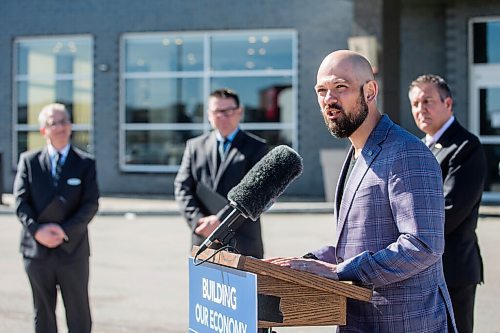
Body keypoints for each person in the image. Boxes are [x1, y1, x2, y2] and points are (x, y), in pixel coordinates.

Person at [265, 50, 457, 332]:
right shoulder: (358, 152)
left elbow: (423, 246)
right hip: (359, 320)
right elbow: (362, 242)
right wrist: (309, 262)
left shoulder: (407, 152)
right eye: (322, 90)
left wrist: (339, 271)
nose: (329, 99)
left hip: (405, 323)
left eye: (340, 87)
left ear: (370, 90)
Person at [408, 74, 485, 333]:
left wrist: (405, 234)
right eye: (415, 104)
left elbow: (450, 211)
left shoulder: (466, 146)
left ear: (448, 103)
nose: (421, 109)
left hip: (452, 270)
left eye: (427, 101)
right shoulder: (420, 148)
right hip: (422, 270)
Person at [13, 103, 99, 333]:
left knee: (79, 312)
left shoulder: (85, 163)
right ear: (44, 131)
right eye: (54, 123)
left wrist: (65, 231)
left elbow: (90, 204)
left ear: (71, 126)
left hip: (73, 250)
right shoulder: (29, 162)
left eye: (65, 121)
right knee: (42, 313)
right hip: (36, 251)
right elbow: (21, 203)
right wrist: (37, 231)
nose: (61, 127)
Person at [174, 88, 268, 258]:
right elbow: (183, 187)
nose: (223, 116)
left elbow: (257, 194)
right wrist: (197, 220)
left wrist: (220, 221)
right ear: (209, 114)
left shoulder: (257, 148)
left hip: (242, 242)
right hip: (203, 239)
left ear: (239, 112)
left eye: (229, 111)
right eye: (217, 111)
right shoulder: (195, 147)